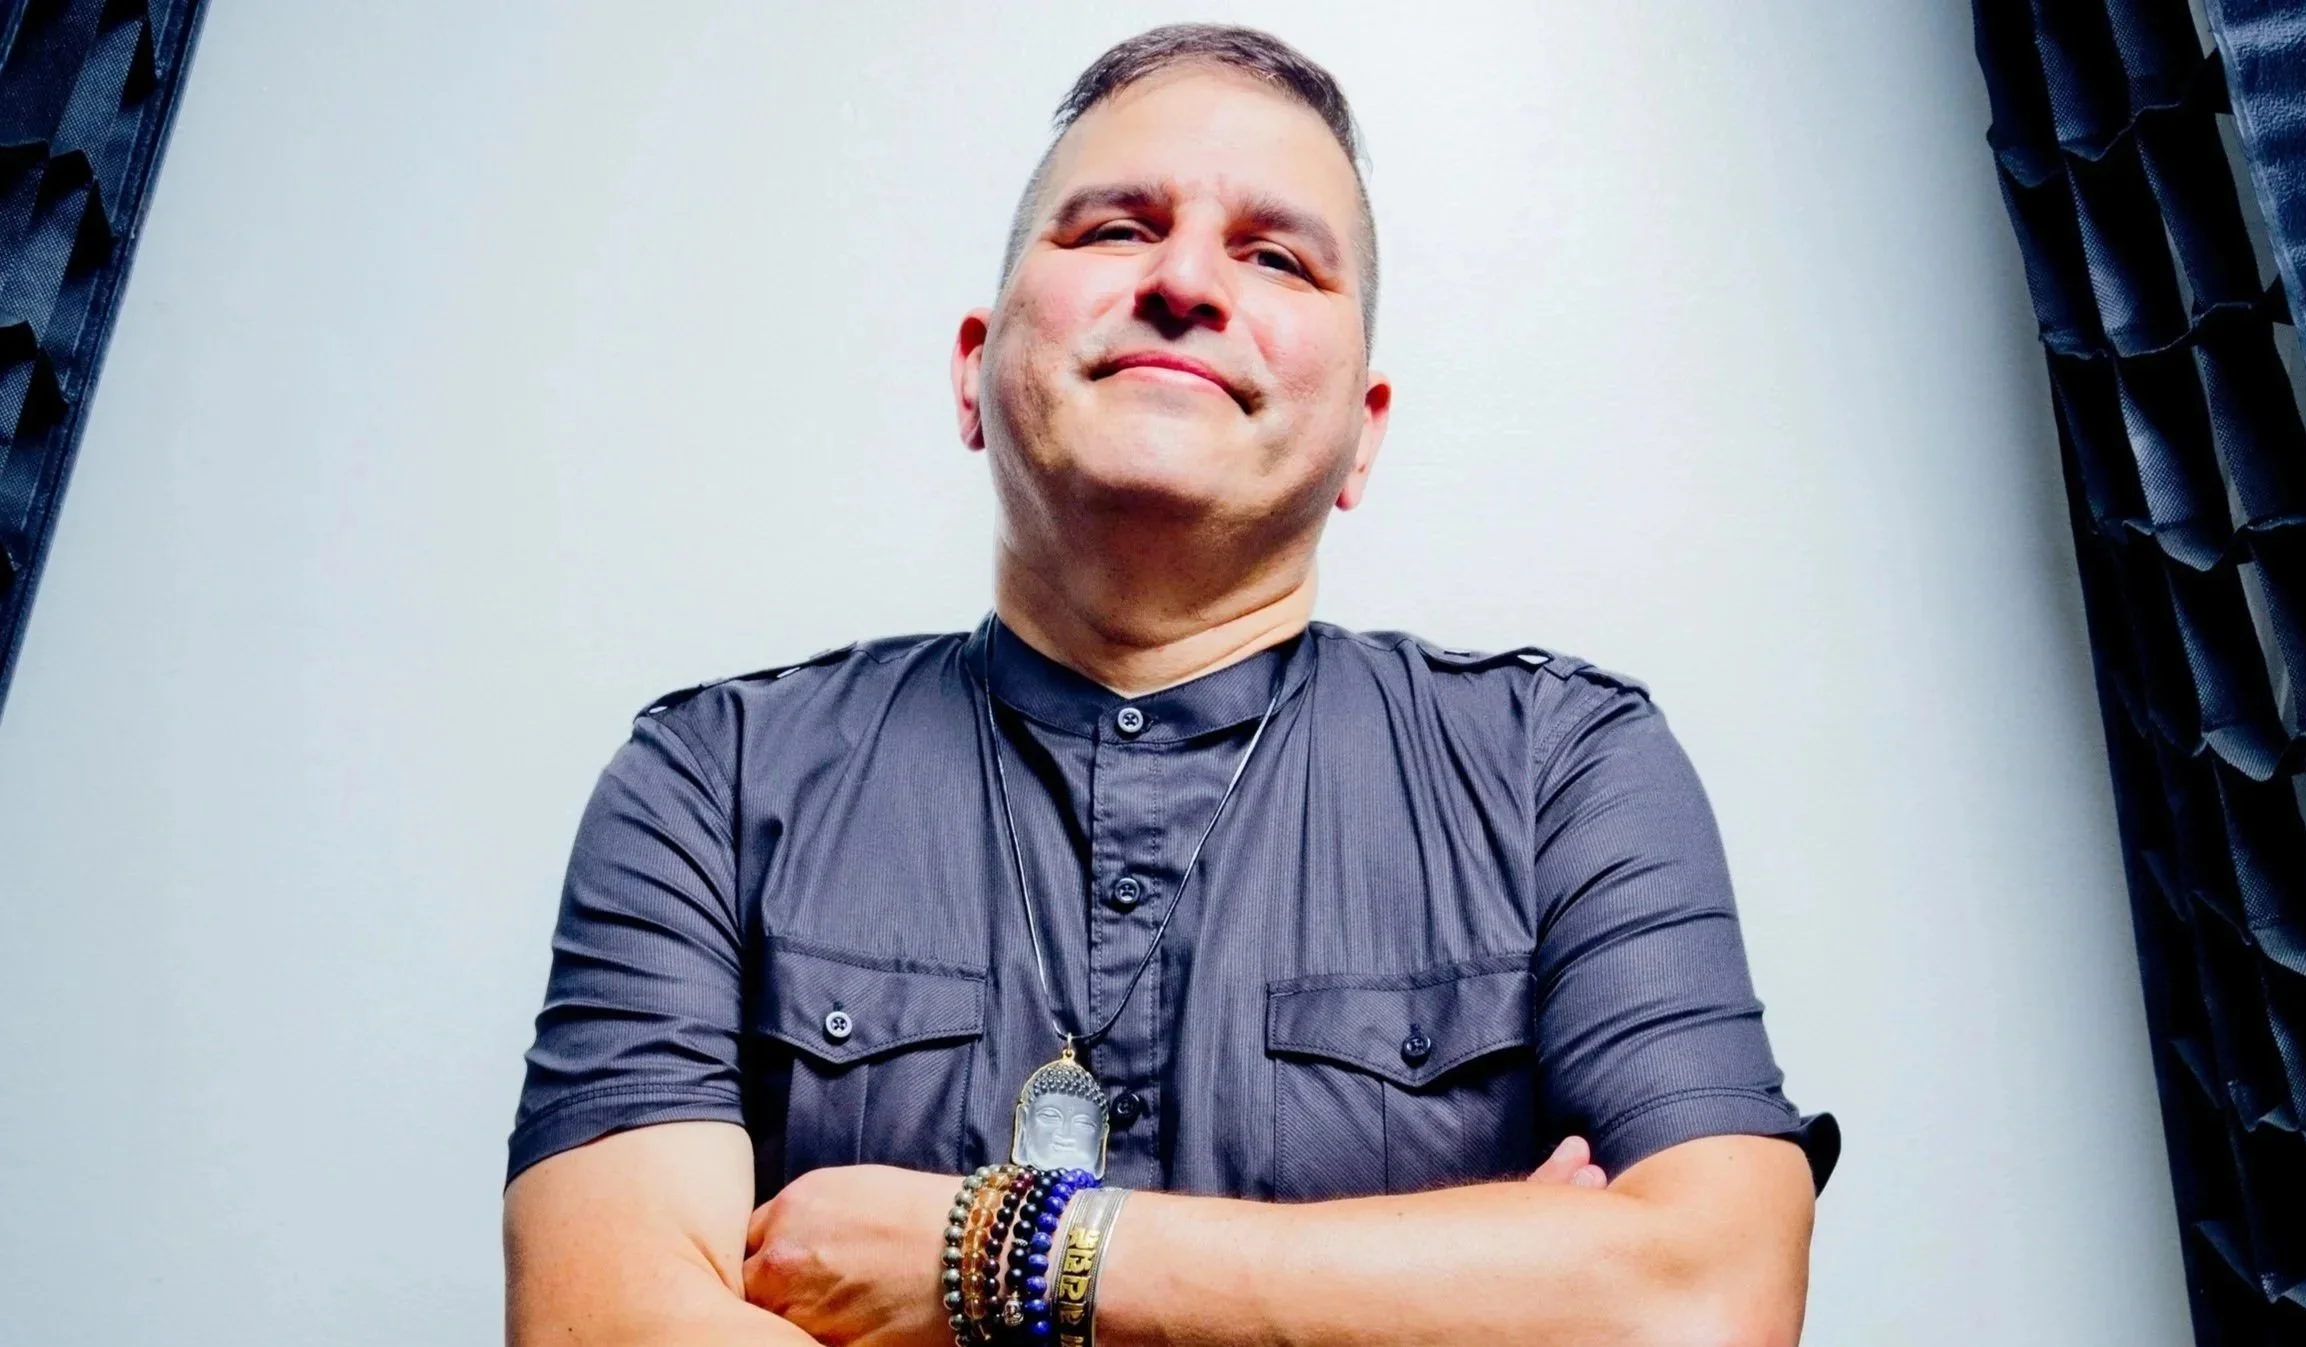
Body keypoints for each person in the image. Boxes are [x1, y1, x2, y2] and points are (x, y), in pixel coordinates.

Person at [502, 22, 1835, 1347]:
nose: (1187, 280)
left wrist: (1000, 1256)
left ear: (1364, 434)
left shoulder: (1564, 768)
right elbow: (597, 1328)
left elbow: (1702, 1299)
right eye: (1114, 230)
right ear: (972, 366)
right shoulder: (711, 781)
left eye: (1276, 256)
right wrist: (1479, 1288)